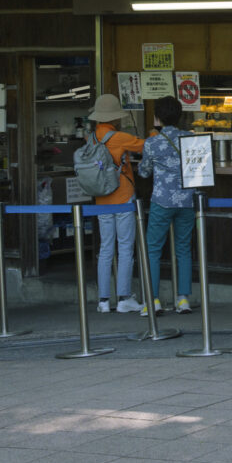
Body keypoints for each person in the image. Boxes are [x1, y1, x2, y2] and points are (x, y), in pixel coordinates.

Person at [87, 93, 145, 314]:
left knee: (105, 249)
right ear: (114, 118)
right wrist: (153, 133)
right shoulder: (119, 137)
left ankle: (103, 300)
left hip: (101, 200)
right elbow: (145, 146)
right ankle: (123, 298)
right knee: (125, 247)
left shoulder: (91, 138)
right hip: (122, 197)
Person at [137, 95, 194, 316]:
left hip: (162, 200)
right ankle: (183, 300)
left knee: (152, 249)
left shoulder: (152, 142)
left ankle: (153, 300)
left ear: (158, 117)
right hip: (187, 201)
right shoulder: (190, 138)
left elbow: (144, 172)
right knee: (183, 249)